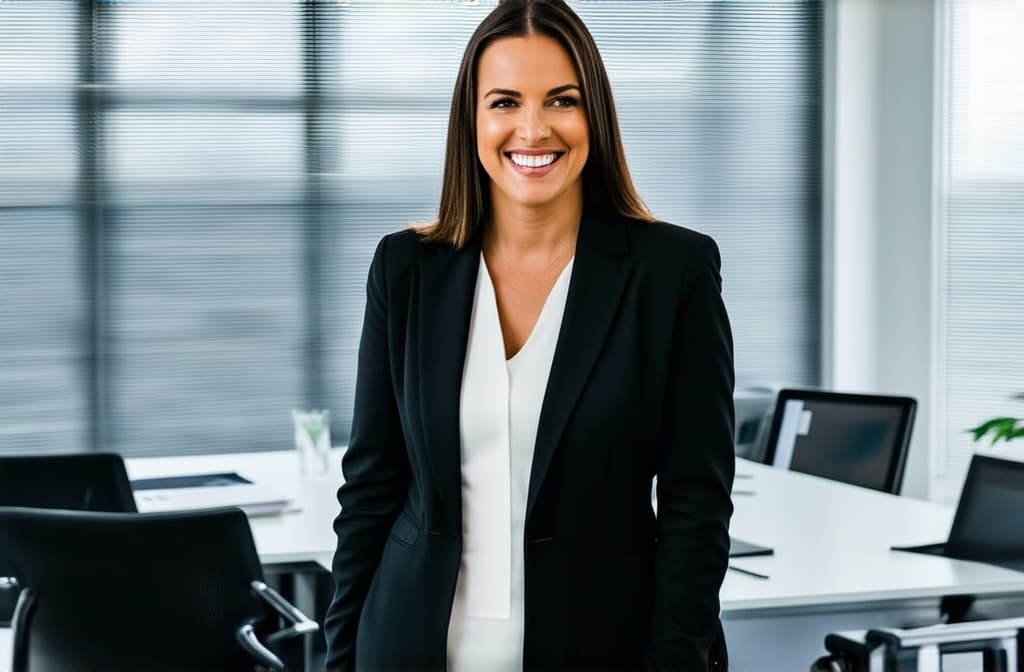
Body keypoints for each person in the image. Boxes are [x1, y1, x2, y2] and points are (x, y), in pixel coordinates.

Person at [324, 1, 735, 670]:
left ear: (594, 115)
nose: (533, 128)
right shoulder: (405, 272)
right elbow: (370, 488)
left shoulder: (671, 274)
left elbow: (697, 505)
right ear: (473, 120)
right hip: (410, 647)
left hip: (604, 648)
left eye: (562, 101)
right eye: (505, 102)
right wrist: (339, 657)